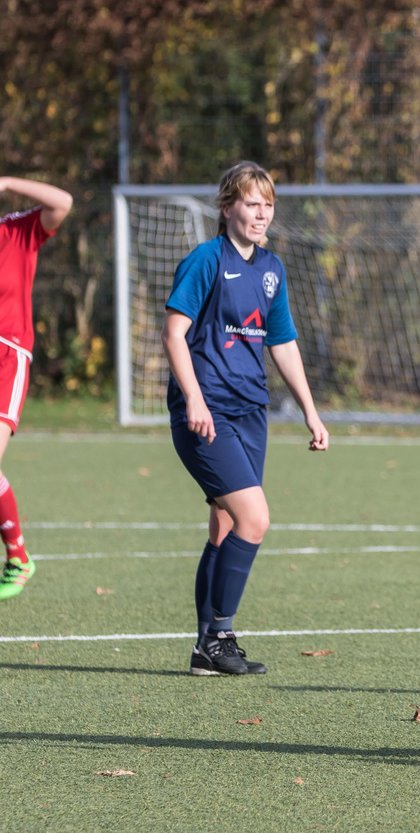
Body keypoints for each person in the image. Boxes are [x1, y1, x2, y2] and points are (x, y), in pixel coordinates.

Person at [163, 161, 329, 676]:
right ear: (227, 207)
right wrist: (193, 398)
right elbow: (173, 332)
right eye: (251, 203)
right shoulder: (205, 260)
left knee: (225, 524)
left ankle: (204, 650)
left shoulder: (272, 269)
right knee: (254, 519)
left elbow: (282, 343)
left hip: (251, 410)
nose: (261, 214)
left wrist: (310, 411)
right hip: (208, 412)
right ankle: (222, 634)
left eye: (268, 204)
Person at [0, 178, 73, 601]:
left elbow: (62, 202)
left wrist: (10, 182)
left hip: (7, 357)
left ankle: (19, 558)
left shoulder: (16, 229)